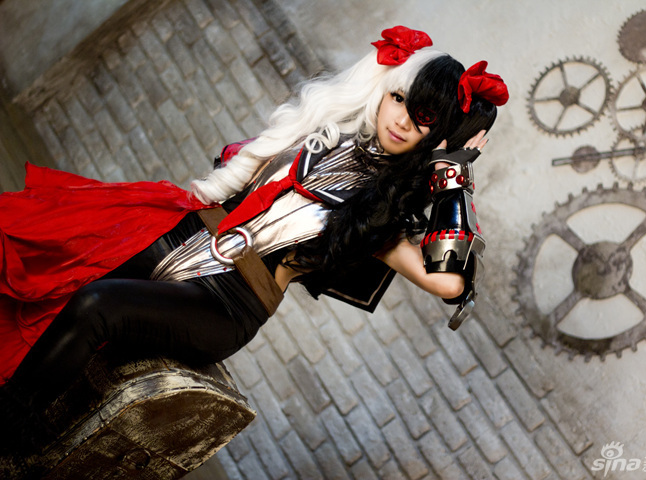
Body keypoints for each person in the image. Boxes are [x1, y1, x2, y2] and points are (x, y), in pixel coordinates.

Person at [0, 26, 508, 452]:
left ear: (437, 136)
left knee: (95, 306)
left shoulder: (383, 214)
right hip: (186, 238)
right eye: (400, 99)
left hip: (228, 302)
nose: (401, 120)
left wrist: (453, 178)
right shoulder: (322, 131)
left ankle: (10, 432)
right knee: (51, 243)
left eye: (423, 119)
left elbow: (448, 284)